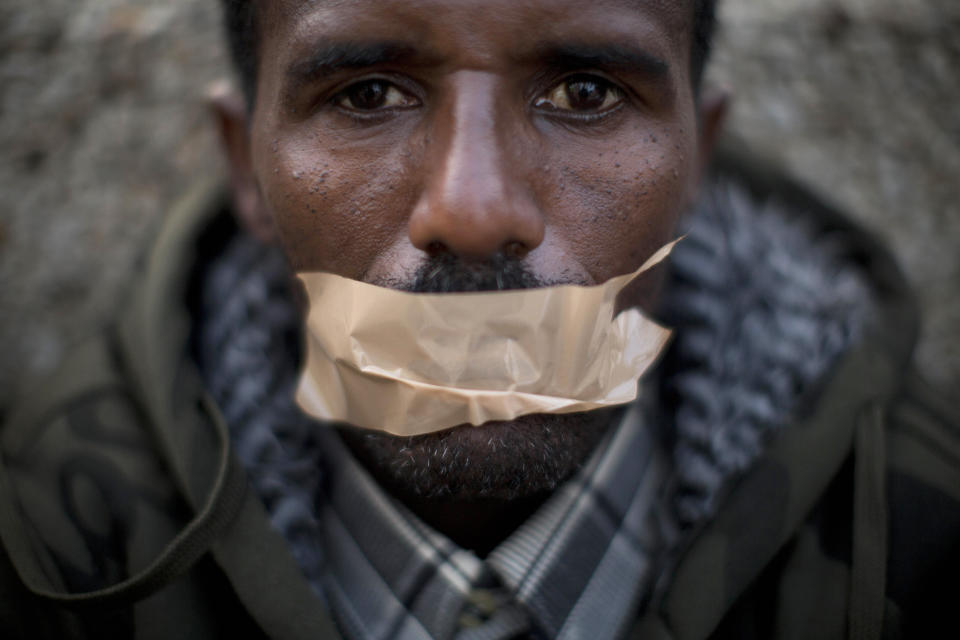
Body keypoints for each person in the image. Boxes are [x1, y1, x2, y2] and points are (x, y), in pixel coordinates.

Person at [1, 1, 957, 638]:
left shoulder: (919, 530)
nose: (472, 213)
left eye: (586, 93)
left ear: (697, 159)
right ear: (244, 164)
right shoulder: (48, 546)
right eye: (366, 93)